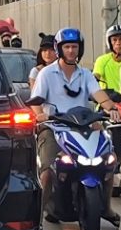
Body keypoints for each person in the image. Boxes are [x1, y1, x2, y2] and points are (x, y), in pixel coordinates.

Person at [30, 28, 99, 220]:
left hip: (81, 128)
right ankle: (37, 220)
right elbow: (35, 100)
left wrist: (111, 107)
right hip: (53, 128)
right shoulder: (46, 73)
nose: (71, 51)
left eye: (74, 47)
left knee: (108, 161)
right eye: (67, 47)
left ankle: (107, 208)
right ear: (59, 49)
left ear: (80, 49)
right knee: (47, 174)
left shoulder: (85, 74)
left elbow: (98, 93)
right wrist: (40, 115)